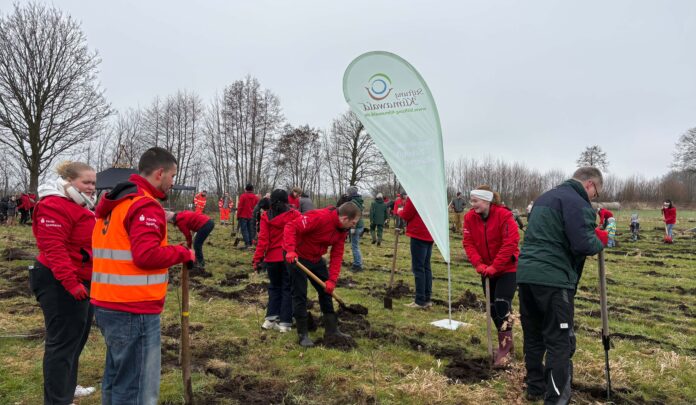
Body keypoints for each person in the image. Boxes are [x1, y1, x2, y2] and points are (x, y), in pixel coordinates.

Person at [91, 147, 194, 405]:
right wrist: (183, 252)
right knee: (137, 388)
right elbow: (146, 255)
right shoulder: (144, 205)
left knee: (117, 379)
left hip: (107, 302)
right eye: (172, 176)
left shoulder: (117, 202)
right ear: (160, 173)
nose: (173, 182)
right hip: (133, 308)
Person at [516, 167, 607, 403]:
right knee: (559, 341)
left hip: (526, 276)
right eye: (595, 193)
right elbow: (583, 244)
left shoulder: (543, 198)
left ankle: (535, 388)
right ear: (589, 184)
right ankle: (555, 399)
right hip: (554, 281)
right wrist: (601, 240)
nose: (593, 198)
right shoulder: (578, 202)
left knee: (533, 335)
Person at [30, 161, 98, 404]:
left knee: (76, 339)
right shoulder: (54, 205)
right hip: (58, 281)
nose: (91, 187)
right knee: (61, 343)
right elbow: (54, 249)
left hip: (82, 280)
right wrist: (70, 283)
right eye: (86, 182)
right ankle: (58, 399)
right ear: (69, 181)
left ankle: (67, 386)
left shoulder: (81, 205)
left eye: (94, 183)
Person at [283, 202, 361, 347]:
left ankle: (332, 330)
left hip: (315, 258)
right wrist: (290, 250)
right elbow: (291, 226)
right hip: (297, 256)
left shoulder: (342, 230)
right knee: (300, 293)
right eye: (353, 222)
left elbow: (337, 255)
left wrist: (332, 280)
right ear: (345, 218)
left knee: (326, 291)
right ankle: (303, 334)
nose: (354, 226)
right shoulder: (319, 217)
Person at [462, 185, 520, 367]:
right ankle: (506, 342)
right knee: (493, 307)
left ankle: (505, 349)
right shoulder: (469, 218)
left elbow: (510, 243)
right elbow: (468, 242)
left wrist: (496, 266)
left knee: (502, 304)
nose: (473, 204)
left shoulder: (504, 215)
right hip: (486, 269)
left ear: (487, 200)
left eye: (476, 201)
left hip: (508, 268)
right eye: (472, 201)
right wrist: (479, 264)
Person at [253, 189, 300, 332]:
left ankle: (270, 320)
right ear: (287, 201)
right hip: (288, 257)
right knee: (287, 288)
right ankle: (285, 323)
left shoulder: (266, 216)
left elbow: (263, 240)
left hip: (272, 258)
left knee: (274, 287)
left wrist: (257, 259)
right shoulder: (294, 215)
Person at [398, 196, 434, 309]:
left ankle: (419, 301)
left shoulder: (415, 195)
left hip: (418, 233)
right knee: (426, 267)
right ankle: (427, 298)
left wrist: (400, 211)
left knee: (418, 268)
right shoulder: (433, 196)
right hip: (430, 233)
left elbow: (406, 214)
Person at [237, 183, 260, 249]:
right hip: (251, 216)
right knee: (250, 230)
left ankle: (247, 244)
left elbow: (240, 207)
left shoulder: (243, 196)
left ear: (246, 189)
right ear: (252, 189)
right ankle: (250, 243)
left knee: (244, 230)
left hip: (243, 215)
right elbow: (257, 208)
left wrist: (238, 215)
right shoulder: (256, 198)